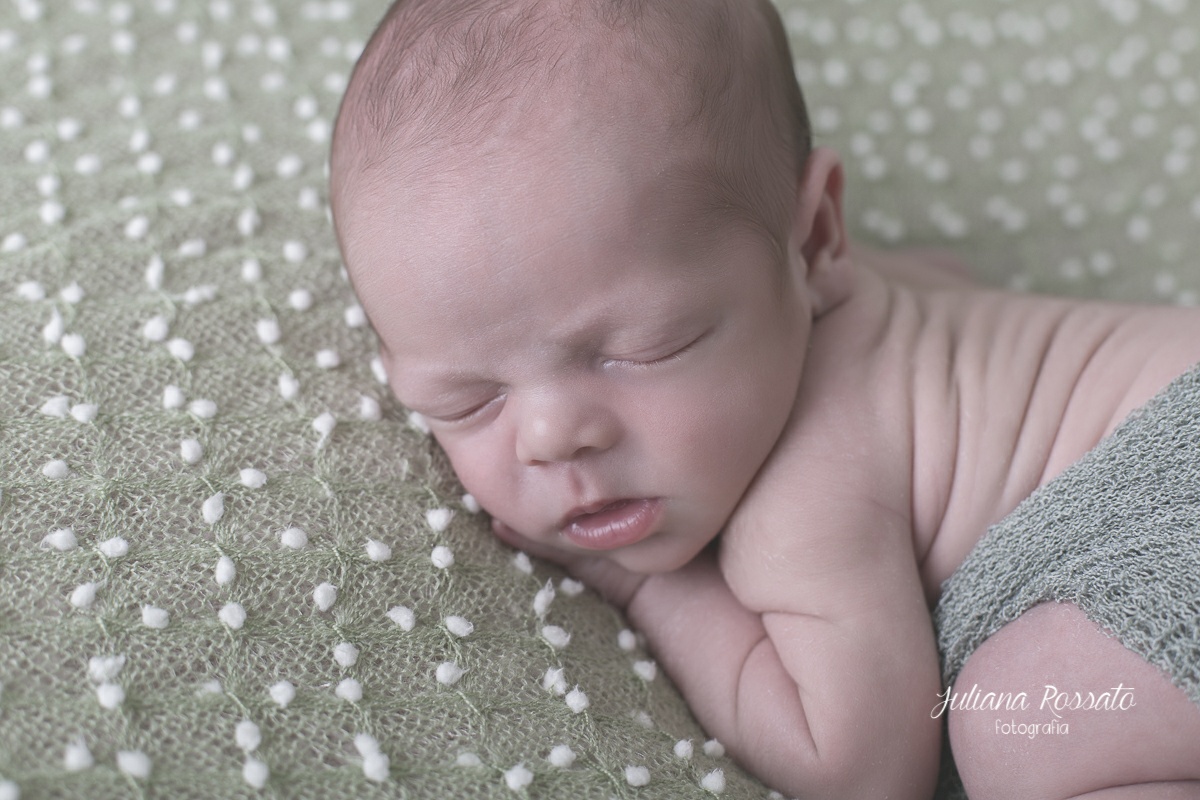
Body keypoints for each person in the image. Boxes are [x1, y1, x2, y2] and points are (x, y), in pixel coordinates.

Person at [328, 1, 1200, 797]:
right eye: (465, 401)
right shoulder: (847, 296)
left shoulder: (807, 496)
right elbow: (956, 283)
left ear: (816, 238)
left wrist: (643, 593)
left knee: (1020, 717)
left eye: (643, 347)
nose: (553, 437)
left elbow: (861, 766)